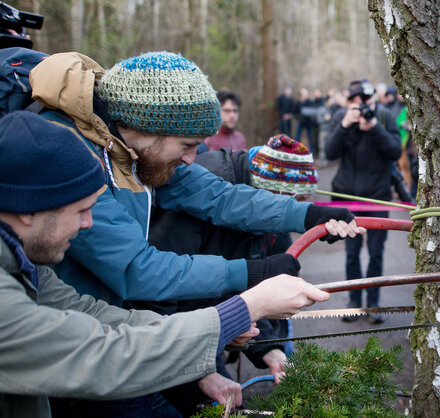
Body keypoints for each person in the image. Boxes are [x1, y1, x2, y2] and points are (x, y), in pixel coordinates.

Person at [28, 51, 361, 415]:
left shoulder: (134, 150)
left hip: (122, 334)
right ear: (147, 125)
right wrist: (251, 276)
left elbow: (217, 195)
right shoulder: (76, 156)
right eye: (187, 146)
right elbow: (139, 271)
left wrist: (306, 214)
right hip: (77, 352)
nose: (192, 158)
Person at [141, 134, 319, 415]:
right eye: (290, 204)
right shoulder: (193, 206)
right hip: (160, 343)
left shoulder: (255, 218)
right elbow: (157, 297)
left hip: (198, 333)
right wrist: (199, 372)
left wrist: (268, 349)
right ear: (271, 195)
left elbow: (238, 291)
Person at [325, 78, 402, 324]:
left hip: (377, 196)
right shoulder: (340, 117)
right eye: (359, 102)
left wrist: (375, 127)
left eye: (368, 101)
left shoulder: (386, 116)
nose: (364, 106)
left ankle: (374, 304)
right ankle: (354, 302)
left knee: (376, 253)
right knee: (351, 252)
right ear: (350, 102)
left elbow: (395, 152)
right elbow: (330, 153)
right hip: (347, 197)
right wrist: (346, 125)